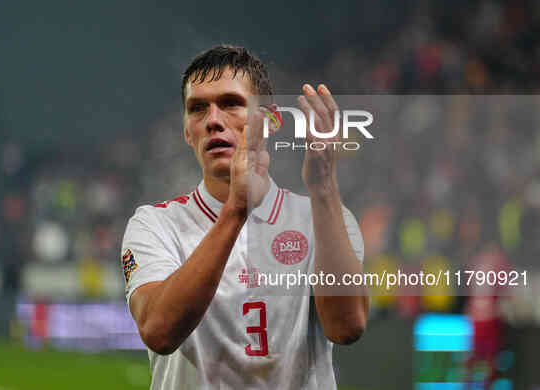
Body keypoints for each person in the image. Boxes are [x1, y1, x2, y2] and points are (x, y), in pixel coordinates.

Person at [121, 45, 369, 389]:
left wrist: (324, 187)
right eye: (197, 109)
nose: (212, 120)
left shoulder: (325, 219)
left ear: (271, 120)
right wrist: (236, 210)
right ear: (186, 132)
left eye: (231, 103)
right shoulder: (154, 225)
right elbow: (159, 332)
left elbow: (347, 327)